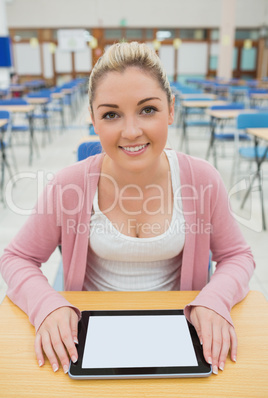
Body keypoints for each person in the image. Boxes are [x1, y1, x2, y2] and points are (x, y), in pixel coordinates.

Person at [0, 42, 255, 376]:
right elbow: (17, 258)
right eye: (111, 114)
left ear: (171, 110)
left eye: (148, 109)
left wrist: (214, 299)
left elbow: (238, 256)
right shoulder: (69, 186)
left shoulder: (201, 178)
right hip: (90, 339)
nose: (132, 131)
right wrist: (47, 306)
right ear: (92, 119)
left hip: (179, 335)